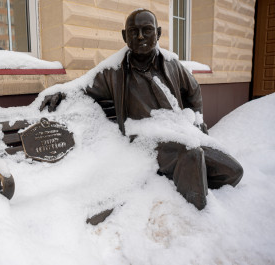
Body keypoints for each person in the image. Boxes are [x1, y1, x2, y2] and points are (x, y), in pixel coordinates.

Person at [39, 9, 243, 210]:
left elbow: (194, 91)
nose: (140, 36)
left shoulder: (171, 63)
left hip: (180, 129)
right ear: (124, 36)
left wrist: (197, 122)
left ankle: (185, 182)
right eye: (133, 31)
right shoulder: (114, 70)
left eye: (147, 30)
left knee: (232, 171)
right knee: (191, 155)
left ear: (159, 33)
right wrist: (61, 91)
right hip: (144, 138)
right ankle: (194, 217)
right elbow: (83, 85)